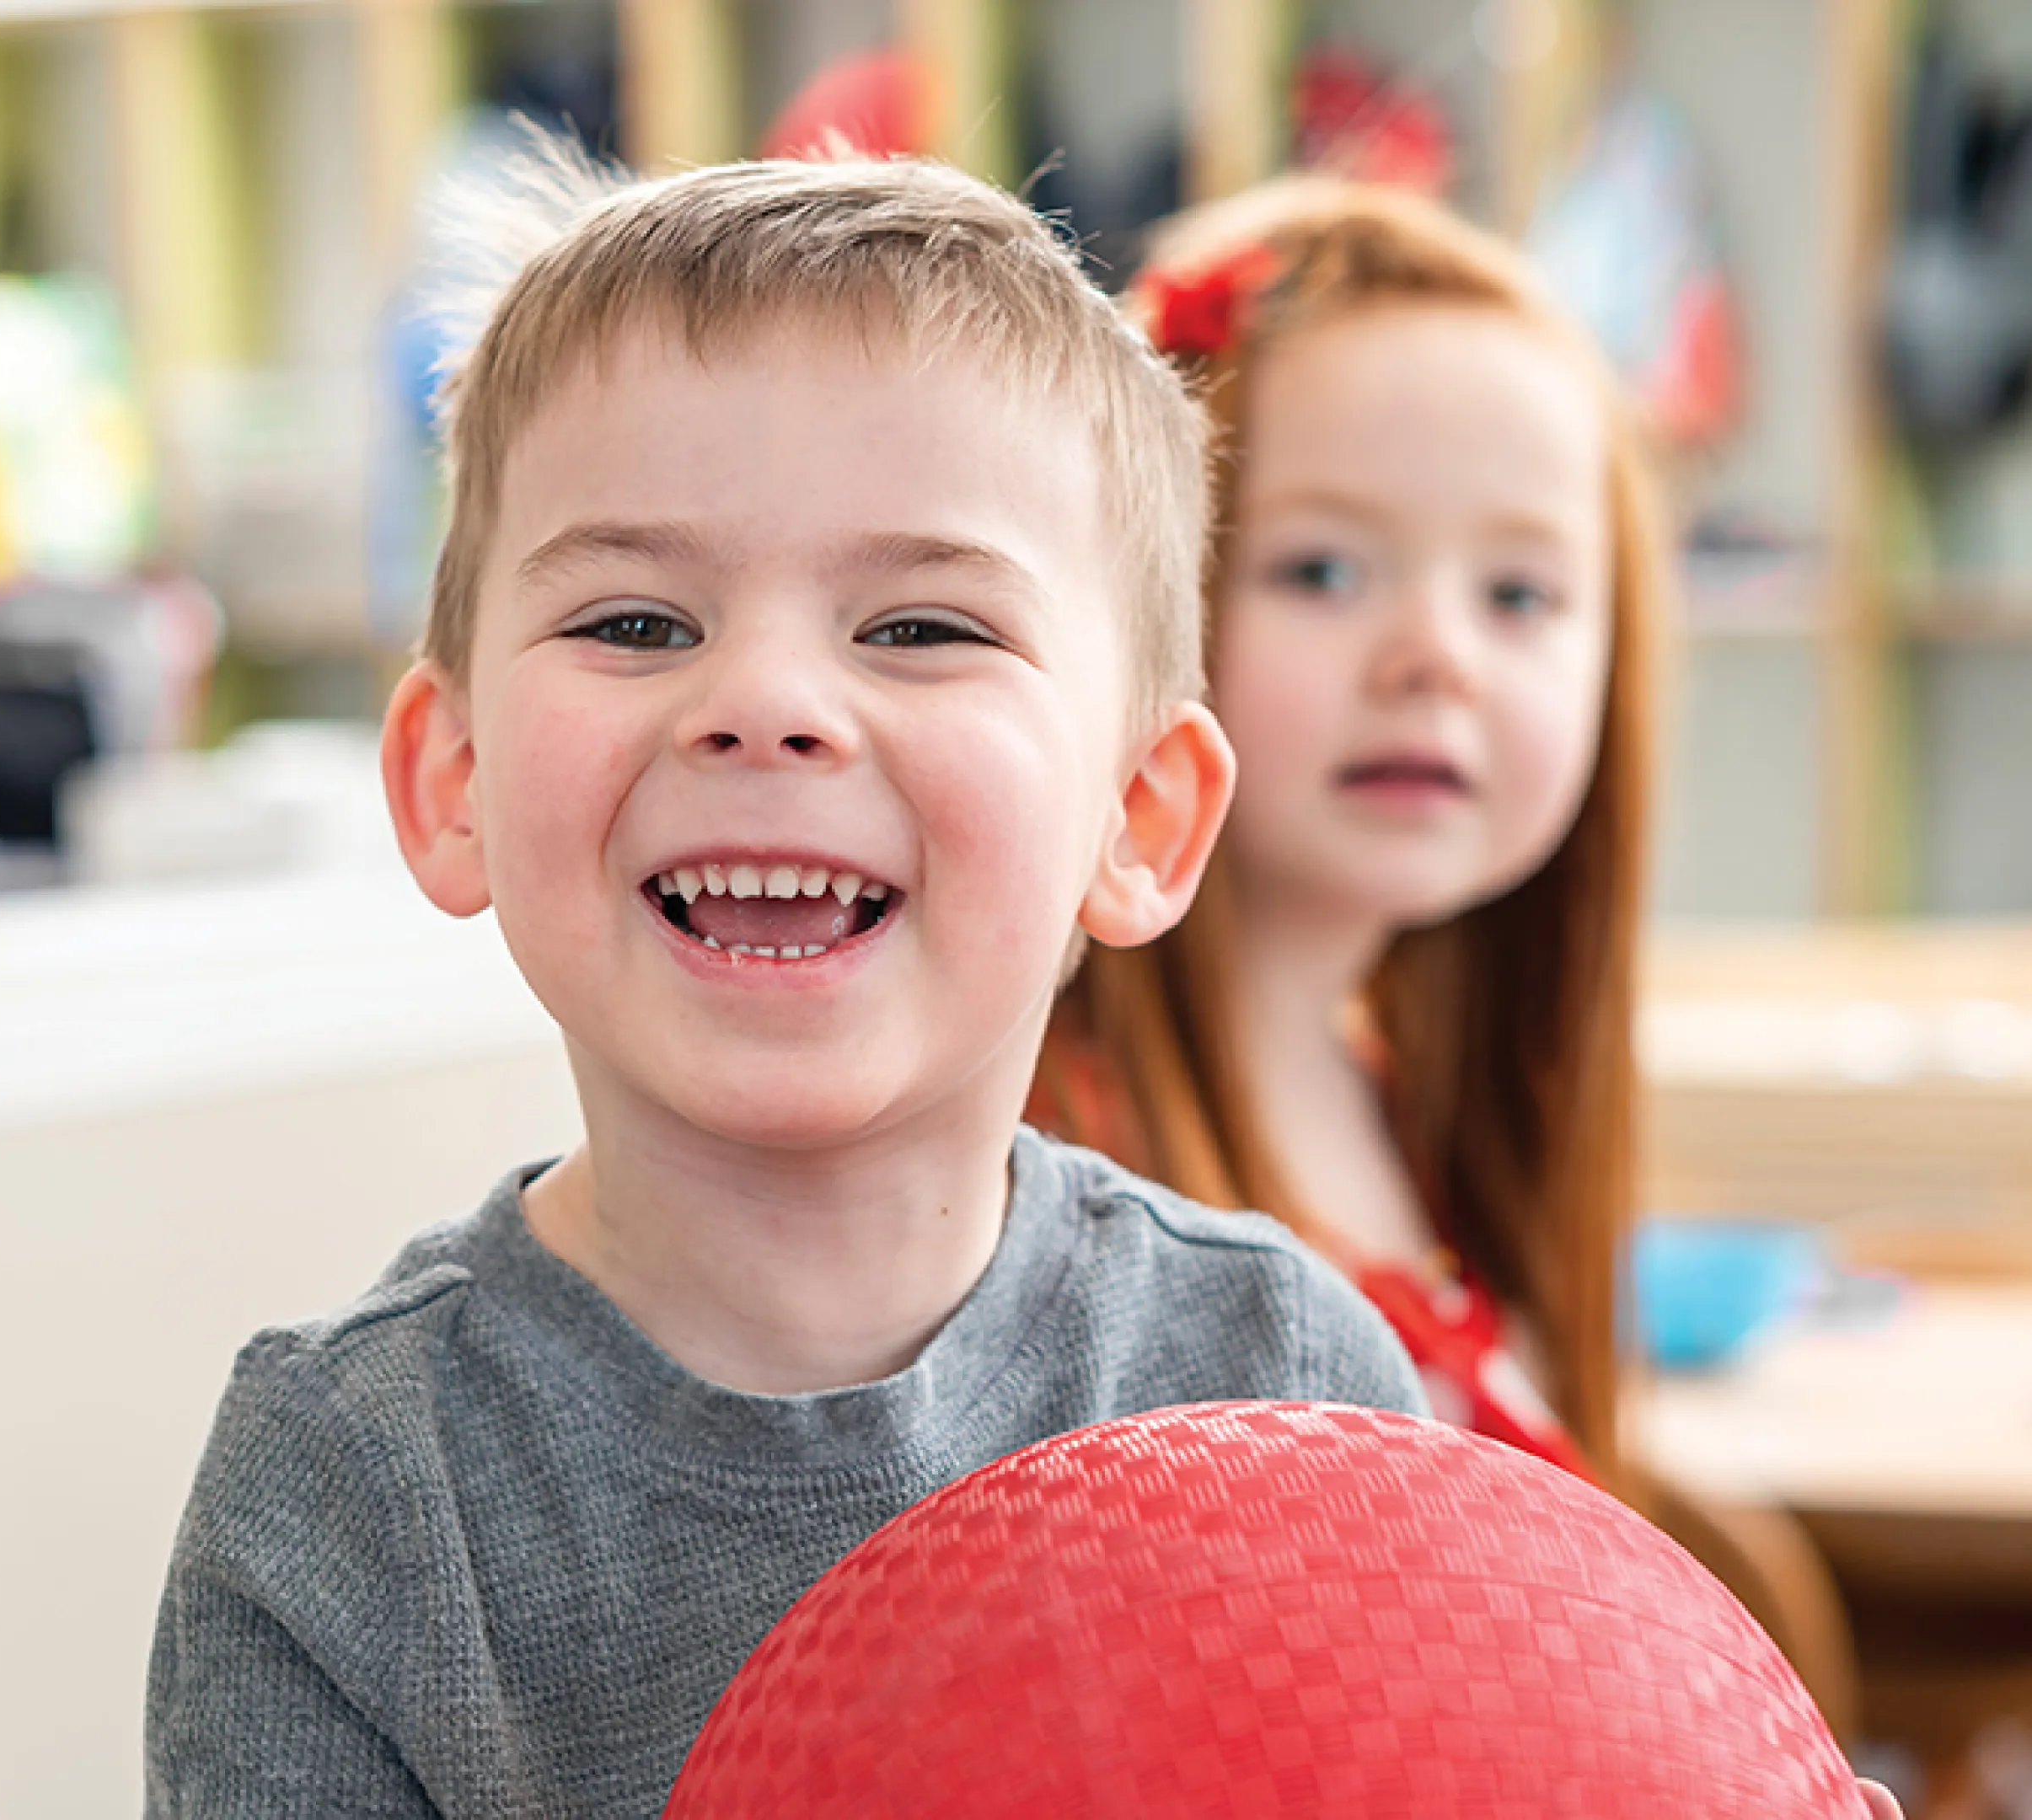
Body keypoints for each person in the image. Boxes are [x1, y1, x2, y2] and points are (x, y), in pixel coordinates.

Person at [142, 152, 1430, 1818]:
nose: (761, 702)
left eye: (918, 630)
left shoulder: (1286, 1385)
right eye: (633, 621)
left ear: (1139, 816)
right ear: (454, 776)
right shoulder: (352, 1494)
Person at [1032, 179, 1665, 1488]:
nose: (1436, 657)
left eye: (1520, 593)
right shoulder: (1047, 1170)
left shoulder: (1421, 1100)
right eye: (1320, 570)